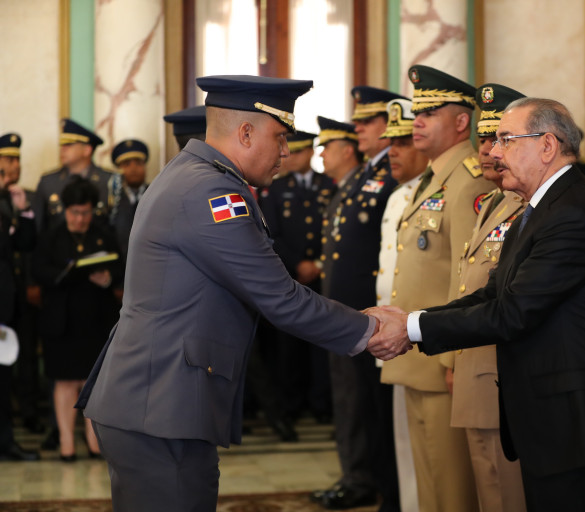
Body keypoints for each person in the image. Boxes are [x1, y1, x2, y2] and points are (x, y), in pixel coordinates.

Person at [75, 75, 399, 512]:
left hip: (156, 401)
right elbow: (279, 296)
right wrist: (371, 329)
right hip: (161, 406)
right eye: (280, 137)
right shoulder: (210, 190)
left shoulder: (191, 174)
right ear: (245, 133)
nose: (286, 151)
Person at [369, 97, 585, 511]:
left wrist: (411, 329)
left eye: (506, 140)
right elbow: (493, 294)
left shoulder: (571, 215)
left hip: (574, 427)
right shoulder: (541, 208)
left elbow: (512, 313)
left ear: (547, 146)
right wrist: (413, 321)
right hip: (550, 420)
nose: (493, 151)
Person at [379, 65, 492, 512]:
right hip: (416, 357)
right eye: (418, 113)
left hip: (442, 359)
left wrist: (453, 360)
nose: (418, 122)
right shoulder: (431, 179)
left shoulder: (469, 181)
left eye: (430, 113)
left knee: (451, 490)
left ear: (462, 121)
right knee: (428, 485)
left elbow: (469, 279)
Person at [311, 110, 400, 511]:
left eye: (367, 121)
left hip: (366, 315)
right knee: (350, 399)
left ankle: (366, 479)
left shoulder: (383, 179)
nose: (359, 127)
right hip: (344, 315)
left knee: (363, 403)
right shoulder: (359, 181)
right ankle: (358, 476)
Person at [449, 83, 528, 512]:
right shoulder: (493, 203)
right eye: (482, 138)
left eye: (498, 138)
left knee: (507, 492)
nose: (485, 149)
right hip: (476, 369)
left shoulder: (526, 209)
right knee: (488, 492)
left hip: (499, 375)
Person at [33, 177, 122, 462]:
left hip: (96, 320)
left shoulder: (103, 234)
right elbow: (39, 270)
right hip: (62, 321)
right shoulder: (52, 237)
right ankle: (66, 442)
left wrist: (108, 278)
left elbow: (120, 266)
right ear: (65, 210)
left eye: (85, 213)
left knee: (92, 381)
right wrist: (64, 274)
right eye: (75, 213)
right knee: (65, 382)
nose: (80, 219)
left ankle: (94, 441)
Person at [258, 129, 336, 426]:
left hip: (324, 276)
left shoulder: (329, 185)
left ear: (311, 153)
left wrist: (317, 263)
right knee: (287, 345)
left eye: (300, 151)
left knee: (322, 342)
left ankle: (321, 402)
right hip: (289, 277)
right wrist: (298, 264)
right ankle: (290, 403)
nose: (291, 157)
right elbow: (272, 234)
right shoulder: (275, 189)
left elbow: (335, 233)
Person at [375, 97, 429, 512]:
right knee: (401, 446)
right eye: (390, 143)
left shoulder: (442, 193)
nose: (392, 151)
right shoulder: (397, 196)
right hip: (396, 339)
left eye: (403, 142)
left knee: (430, 458)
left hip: (426, 341)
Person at [0, 132, 44, 436]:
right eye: (7, 160)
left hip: (18, 293)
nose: (14, 166)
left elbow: (30, 244)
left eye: (16, 160)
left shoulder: (23, 197)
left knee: (23, 355)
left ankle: (21, 420)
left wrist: (24, 208)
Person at [32, 119, 116, 233]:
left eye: (69, 144)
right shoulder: (48, 182)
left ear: (87, 150)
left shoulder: (109, 181)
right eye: (62, 145)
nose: (62, 149)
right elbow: (38, 227)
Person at [109, 139, 149, 259]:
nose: (133, 168)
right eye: (126, 164)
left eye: (138, 163)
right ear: (118, 169)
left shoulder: (156, 195)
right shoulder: (111, 199)